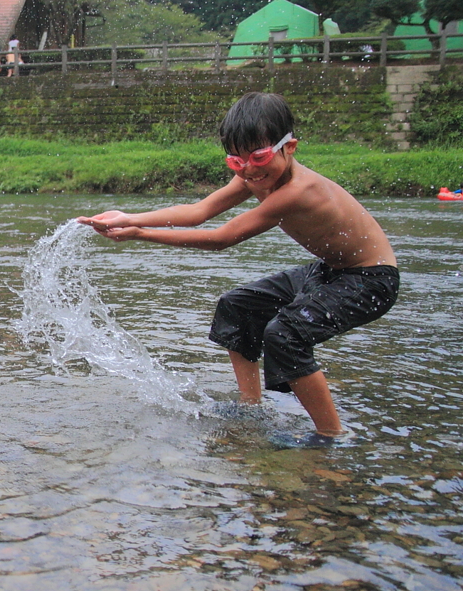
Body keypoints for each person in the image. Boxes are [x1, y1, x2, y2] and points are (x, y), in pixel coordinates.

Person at [77, 92, 398, 447]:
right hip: (328, 270)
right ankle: (251, 405)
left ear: (289, 147)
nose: (249, 169)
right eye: (237, 161)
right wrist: (128, 216)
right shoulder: (254, 176)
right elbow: (200, 210)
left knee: (285, 334)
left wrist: (140, 234)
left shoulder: (298, 191)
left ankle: (330, 434)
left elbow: (222, 238)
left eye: (259, 156)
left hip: (370, 279)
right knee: (237, 305)